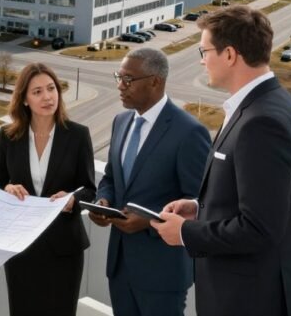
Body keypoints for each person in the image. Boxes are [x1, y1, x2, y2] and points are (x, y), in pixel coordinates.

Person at [153, 5, 291, 316]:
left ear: (229, 55)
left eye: (205, 50)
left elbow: (260, 228)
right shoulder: (270, 104)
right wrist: (200, 208)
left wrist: (186, 233)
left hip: (249, 300)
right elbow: (255, 200)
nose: (201, 60)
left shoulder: (262, 122)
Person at [89, 47, 210, 316]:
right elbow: (111, 177)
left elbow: (201, 204)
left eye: (128, 79)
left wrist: (148, 222)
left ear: (155, 81)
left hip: (163, 273)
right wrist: (103, 200)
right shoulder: (121, 122)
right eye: (118, 77)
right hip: (120, 268)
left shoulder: (190, 132)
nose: (120, 86)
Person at [0, 62, 95, 316]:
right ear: (24, 99)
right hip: (21, 245)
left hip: (64, 247)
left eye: (51, 88)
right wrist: (7, 188)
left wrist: (72, 200)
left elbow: (90, 189)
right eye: (37, 91)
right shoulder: (9, 136)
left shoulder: (78, 135)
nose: (47, 97)